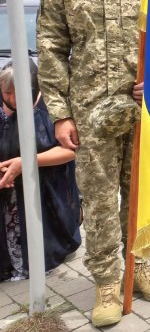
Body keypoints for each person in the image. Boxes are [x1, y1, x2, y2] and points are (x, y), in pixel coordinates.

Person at [36, 0, 150, 328]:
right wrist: (59, 114)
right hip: (91, 113)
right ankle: (107, 282)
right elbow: (52, 51)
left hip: (140, 110)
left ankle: (140, 265)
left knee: (139, 195)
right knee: (98, 202)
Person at [0, 61, 81, 282]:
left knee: (42, 241)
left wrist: (26, 163)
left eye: (18, 94)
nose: (12, 100)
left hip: (47, 191)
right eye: (6, 93)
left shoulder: (54, 109)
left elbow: (72, 151)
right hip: (8, 194)